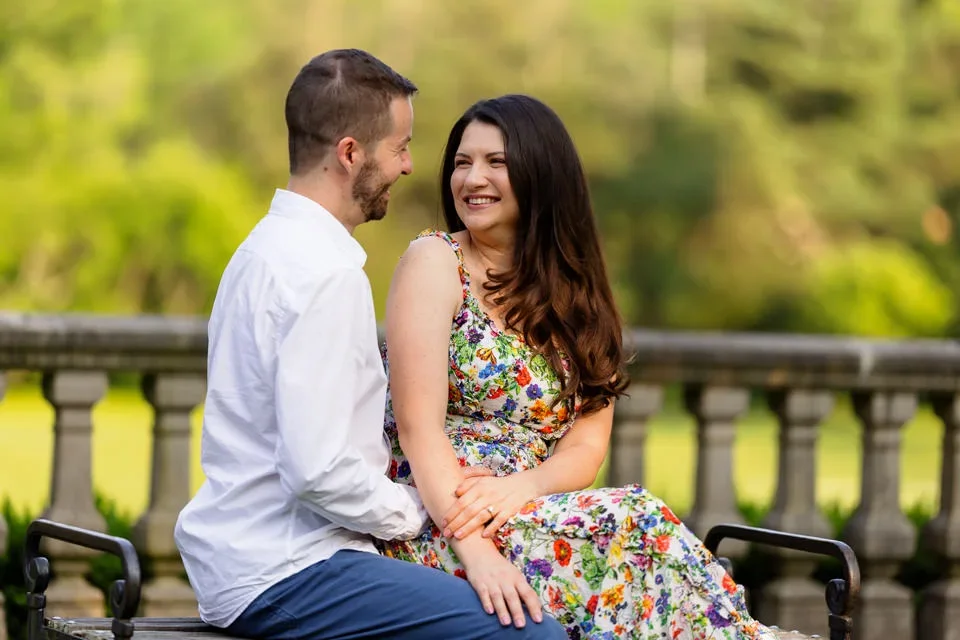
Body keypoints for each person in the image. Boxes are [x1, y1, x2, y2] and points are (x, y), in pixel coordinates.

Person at [174, 52, 567, 640]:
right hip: (289, 568)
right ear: (351, 153)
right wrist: (422, 509)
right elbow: (318, 471)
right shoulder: (324, 274)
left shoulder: (264, 247)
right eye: (400, 147)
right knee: (530, 634)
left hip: (259, 560)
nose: (409, 167)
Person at [379, 94, 778, 639]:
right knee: (635, 528)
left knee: (638, 532)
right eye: (462, 162)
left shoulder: (579, 297)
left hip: (534, 510)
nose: (472, 178)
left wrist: (525, 485)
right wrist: (476, 552)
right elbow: (416, 430)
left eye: (496, 162)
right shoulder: (434, 262)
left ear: (542, 173)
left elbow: (586, 448)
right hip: (444, 521)